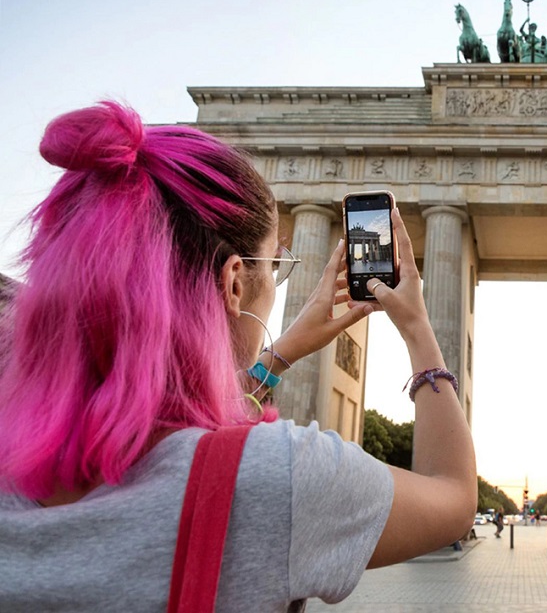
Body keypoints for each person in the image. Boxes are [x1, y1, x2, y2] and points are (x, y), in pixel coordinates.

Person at [0, 101, 477, 611]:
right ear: (233, 281)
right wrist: (417, 327)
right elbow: (451, 498)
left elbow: (173, 416)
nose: (275, 281)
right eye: (275, 265)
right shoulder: (281, 477)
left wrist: (286, 349)